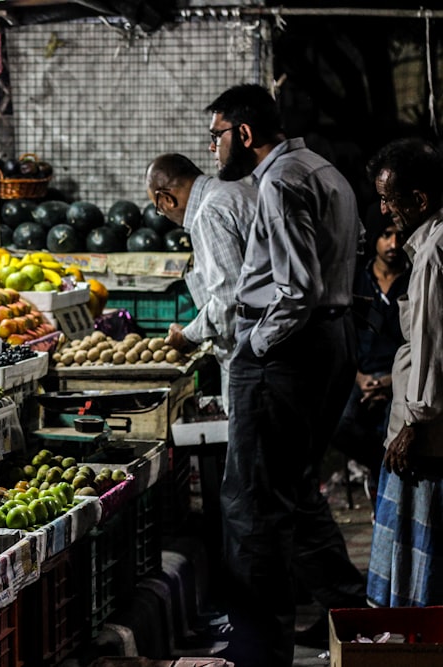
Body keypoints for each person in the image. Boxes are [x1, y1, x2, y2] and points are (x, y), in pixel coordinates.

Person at [204, 83, 367, 667]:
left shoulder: (279, 180)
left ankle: (257, 650)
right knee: (291, 489)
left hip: (288, 350)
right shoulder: (321, 168)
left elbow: (297, 289)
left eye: (218, 136)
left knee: (251, 504)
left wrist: (254, 345)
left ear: (244, 134)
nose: (214, 149)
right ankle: (350, 612)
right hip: (329, 340)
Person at [365, 137, 443, 608]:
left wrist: (414, 423)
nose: (383, 211)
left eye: (389, 200)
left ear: (419, 200)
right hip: (427, 424)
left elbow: (434, 349)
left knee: (421, 569)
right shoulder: (428, 245)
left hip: (427, 431)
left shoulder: (433, 253)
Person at [144, 153, 256, 413]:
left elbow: (229, 301)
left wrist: (189, 336)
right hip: (274, 346)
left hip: (251, 356)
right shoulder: (237, 190)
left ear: (167, 199)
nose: (163, 215)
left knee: (250, 447)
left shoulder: (209, 212)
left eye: (158, 208)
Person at [331, 211, 410, 504]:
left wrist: (392, 380)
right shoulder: (358, 282)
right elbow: (343, 334)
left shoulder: (413, 279)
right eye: (385, 235)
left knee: (397, 427)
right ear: (374, 239)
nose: (393, 242)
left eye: (398, 235)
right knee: (338, 425)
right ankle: (381, 468)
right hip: (361, 375)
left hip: (401, 376)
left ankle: (387, 492)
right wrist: (360, 378)